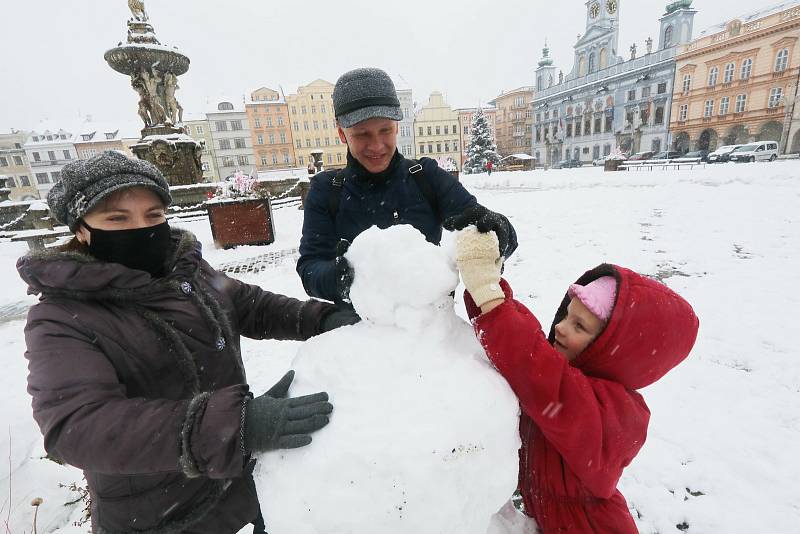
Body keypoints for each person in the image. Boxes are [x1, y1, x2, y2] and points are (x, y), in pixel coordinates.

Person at [17, 151, 358, 534]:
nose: (141, 228)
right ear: (81, 229)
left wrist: (324, 318)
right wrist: (236, 424)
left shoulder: (188, 271)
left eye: (153, 215)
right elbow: (77, 426)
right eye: (117, 218)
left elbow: (250, 305)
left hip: (244, 490)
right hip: (161, 517)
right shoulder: (59, 317)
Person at [454, 227, 699, 533]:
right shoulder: (567, 376)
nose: (561, 328)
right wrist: (490, 291)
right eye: (567, 315)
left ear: (612, 351)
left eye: (579, 326)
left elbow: (536, 372)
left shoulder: (618, 415)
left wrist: (488, 292)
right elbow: (530, 349)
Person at [297, 67, 518, 304]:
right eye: (362, 134)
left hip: (429, 332)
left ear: (396, 127)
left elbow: (499, 237)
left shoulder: (426, 177)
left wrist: (498, 229)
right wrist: (340, 275)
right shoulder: (327, 190)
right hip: (359, 334)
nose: (377, 145)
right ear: (342, 133)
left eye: (385, 130)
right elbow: (310, 268)